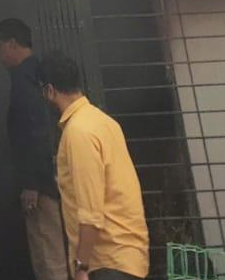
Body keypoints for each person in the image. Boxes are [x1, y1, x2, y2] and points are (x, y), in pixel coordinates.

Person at [41, 52, 149, 280]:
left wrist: (81, 266)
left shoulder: (78, 132)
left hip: (106, 262)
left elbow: (90, 211)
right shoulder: (104, 122)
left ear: (50, 90)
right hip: (127, 257)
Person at [0, 19, 68, 280]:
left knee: (48, 253)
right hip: (52, 176)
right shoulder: (38, 73)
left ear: (12, 44)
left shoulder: (24, 79)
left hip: (42, 183)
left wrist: (31, 183)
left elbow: (36, 131)